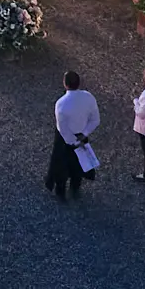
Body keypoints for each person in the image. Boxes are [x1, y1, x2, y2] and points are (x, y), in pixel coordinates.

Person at [46, 71, 101, 201]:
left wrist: (72, 141)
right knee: (79, 163)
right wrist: (84, 135)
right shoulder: (89, 97)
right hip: (81, 135)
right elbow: (95, 120)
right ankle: (75, 188)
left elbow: (62, 129)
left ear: (65, 84)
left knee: (60, 165)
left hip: (65, 140)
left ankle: (61, 192)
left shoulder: (61, 103)